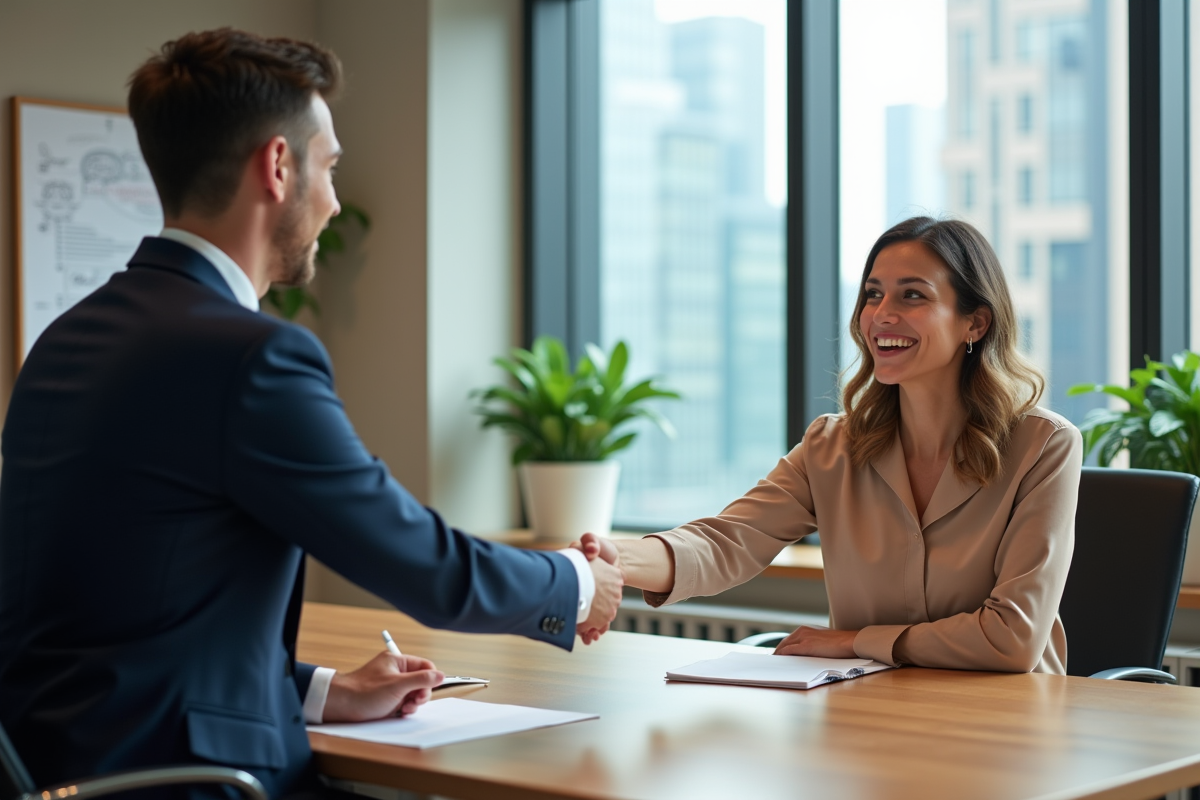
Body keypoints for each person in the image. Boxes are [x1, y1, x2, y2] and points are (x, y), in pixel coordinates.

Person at [0, 28, 622, 798]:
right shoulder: (250, 356)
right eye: (329, 167)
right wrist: (574, 582)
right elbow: (418, 563)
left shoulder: (65, 340)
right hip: (194, 783)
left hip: (75, 768)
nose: (332, 200)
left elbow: (106, 624)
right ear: (278, 166)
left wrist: (325, 691)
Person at [581, 216, 1082, 674]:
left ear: (975, 323)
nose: (882, 315)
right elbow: (726, 543)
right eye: (872, 294)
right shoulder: (834, 444)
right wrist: (603, 561)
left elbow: (1011, 639)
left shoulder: (1044, 447)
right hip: (869, 715)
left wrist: (856, 641)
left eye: (912, 296)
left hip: (1010, 727)